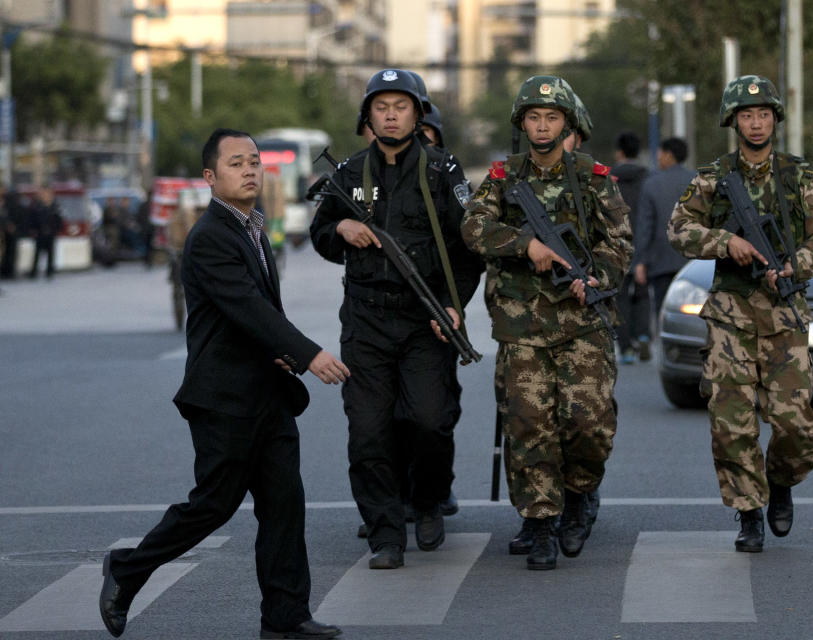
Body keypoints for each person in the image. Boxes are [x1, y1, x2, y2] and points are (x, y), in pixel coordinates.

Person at [99, 128, 349, 640]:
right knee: (214, 504)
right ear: (210, 177)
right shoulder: (211, 236)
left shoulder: (255, 228)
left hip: (268, 395)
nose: (251, 170)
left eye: (255, 161)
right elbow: (248, 309)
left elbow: (260, 314)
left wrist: (281, 360)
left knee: (284, 505)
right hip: (225, 397)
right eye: (237, 163)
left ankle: (286, 616)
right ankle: (126, 569)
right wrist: (307, 354)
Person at [310, 69, 481, 571]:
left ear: (418, 114)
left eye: (400, 106)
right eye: (380, 106)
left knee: (430, 421)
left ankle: (427, 502)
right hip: (366, 321)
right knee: (368, 431)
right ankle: (386, 534)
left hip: (426, 319)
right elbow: (320, 234)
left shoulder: (442, 171)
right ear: (368, 116)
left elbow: (470, 248)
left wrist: (454, 304)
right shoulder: (348, 173)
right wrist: (340, 226)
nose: (390, 114)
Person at [461, 75, 632, 570]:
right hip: (522, 327)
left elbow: (618, 241)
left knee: (588, 425)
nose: (542, 127)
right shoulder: (501, 178)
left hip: (583, 321)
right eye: (533, 118)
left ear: (567, 123)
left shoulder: (594, 177)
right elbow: (472, 227)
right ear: (522, 124)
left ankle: (579, 495)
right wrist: (525, 245)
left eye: (551, 118)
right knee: (528, 426)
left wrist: (596, 276)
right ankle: (539, 522)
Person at [667, 75, 813, 553]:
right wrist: (726, 242)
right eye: (747, 115)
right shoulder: (714, 177)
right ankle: (748, 512)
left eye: (763, 115)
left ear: (775, 120)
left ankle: (780, 482)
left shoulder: (798, 176)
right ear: (732, 121)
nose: (756, 123)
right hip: (730, 318)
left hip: (784, 315)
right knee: (731, 423)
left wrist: (792, 266)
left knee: (796, 426)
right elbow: (678, 230)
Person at [632, 137, 695, 337]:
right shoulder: (697, 181)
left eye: (659, 152)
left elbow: (645, 227)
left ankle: (669, 353)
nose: (657, 157)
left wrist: (640, 261)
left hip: (661, 262)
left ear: (668, 154)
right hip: (693, 261)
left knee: (663, 313)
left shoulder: (651, 184)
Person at [610, 131, 649, 362]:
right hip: (643, 243)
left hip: (617, 246)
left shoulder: (608, 179)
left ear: (619, 152)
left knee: (620, 297)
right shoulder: (648, 178)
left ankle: (625, 348)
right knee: (643, 293)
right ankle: (643, 335)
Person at [28, 186, 62, 279]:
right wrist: (33, 230)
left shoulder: (54, 206)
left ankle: (49, 271)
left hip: (50, 233)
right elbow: (32, 219)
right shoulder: (36, 206)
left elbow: (59, 220)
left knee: (51, 253)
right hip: (39, 233)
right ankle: (33, 272)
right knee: (37, 253)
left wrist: (55, 229)